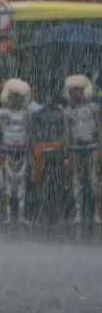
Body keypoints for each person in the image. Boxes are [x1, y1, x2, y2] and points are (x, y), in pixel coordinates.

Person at [63, 74, 102, 225]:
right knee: (77, 181)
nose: (76, 93)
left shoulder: (93, 108)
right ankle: (78, 213)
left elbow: (99, 129)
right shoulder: (67, 111)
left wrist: (100, 148)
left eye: (79, 90)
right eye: (73, 90)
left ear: (84, 91)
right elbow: (67, 133)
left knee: (93, 181)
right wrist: (66, 155)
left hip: (91, 147)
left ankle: (96, 213)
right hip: (75, 148)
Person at [0, 78, 32, 225]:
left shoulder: (27, 113)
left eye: (18, 97)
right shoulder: (2, 113)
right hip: (7, 150)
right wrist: (0, 150)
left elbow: (29, 133)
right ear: (8, 97)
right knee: (8, 185)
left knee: (22, 183)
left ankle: (21, 215)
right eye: (13, 96)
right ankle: (9, 216)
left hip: (22, 150)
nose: (16, 99)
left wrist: (29, 152)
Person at [31, 91, 66, 225]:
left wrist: (62, 146)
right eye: (47, 97)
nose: (49, 100)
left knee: (56, 184)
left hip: (56, 150)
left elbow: (64, 132)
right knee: (40, 182)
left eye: (51, 97)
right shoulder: (37, 114)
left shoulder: (60, 114)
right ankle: (42, 212)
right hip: (41, 150)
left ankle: (56, 212)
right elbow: (33, 132)